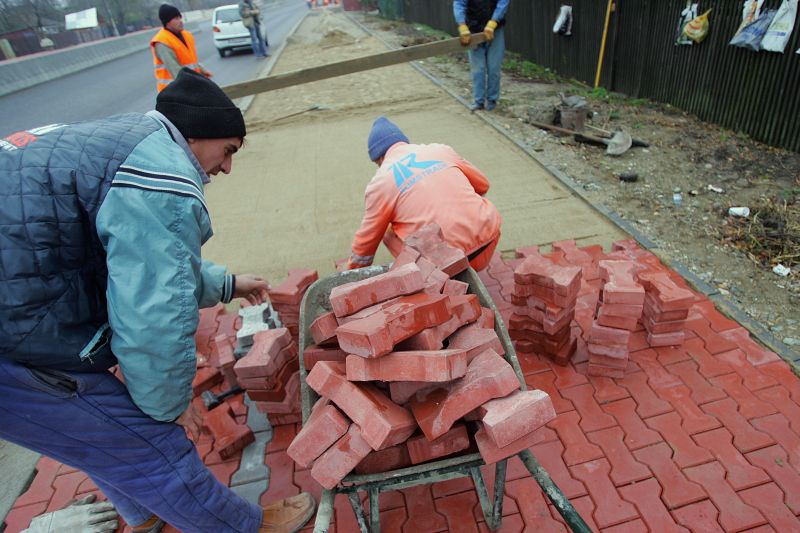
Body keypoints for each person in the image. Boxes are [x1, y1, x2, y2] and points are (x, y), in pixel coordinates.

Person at [0, 69, 315, 533]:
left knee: (100, 438)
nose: (227, 167)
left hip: (18, 316)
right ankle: (242, 527)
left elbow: (136, 261)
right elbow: (154, 317)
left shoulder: (127, 143)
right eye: (228, 150)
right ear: (196, 135)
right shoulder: (162, 178)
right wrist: (167, 404)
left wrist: (227, 284)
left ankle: (148, 515)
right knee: (149, 443)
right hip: (15, 342)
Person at [347, 116, 502, 272]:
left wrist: (351, 274)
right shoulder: (441, 150)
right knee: (470, 194)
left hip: (444, 265)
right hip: (489, 240)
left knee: (385, 230)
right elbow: (483, 185)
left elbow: (366, 242)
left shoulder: (380, 182)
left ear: (379, 158)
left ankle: (432, 278)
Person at [454, 0, 510, 111]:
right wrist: (462, 24)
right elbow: (459, 3)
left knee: (494, 68)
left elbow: (503, 2)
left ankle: (492, 100)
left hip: (495, 31)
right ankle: (478, 101)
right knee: (478, 69)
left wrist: (494, 21)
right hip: (473, 30)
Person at [150, 3, 212, 92]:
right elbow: (176, 71)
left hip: (189, 86)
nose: (180, 21)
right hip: (173, 92)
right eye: (176, 18)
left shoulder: (187, 35)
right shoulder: (162, 42)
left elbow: (189, 61)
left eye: (180, 17)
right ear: (167, 22)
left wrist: (202, 71)